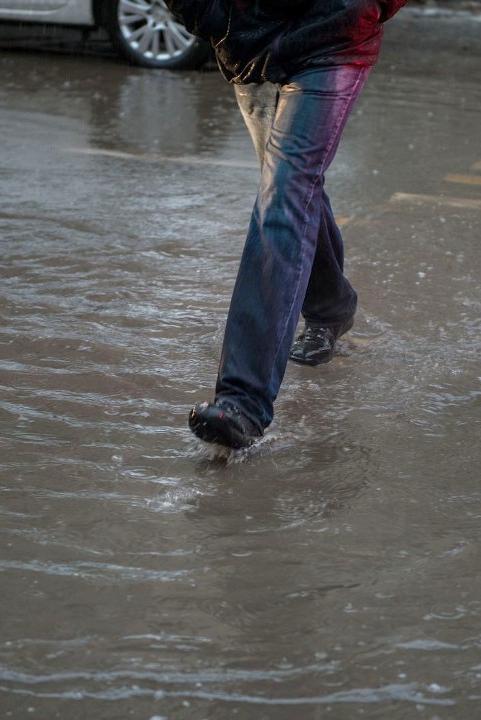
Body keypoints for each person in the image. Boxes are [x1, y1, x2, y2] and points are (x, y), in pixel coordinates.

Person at [169, 0, 407, 449]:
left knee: (284, 191)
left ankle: (243, 402)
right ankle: (331, 308)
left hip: (331, 38)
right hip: (248, 46)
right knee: (292, 189)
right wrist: (216, 19)